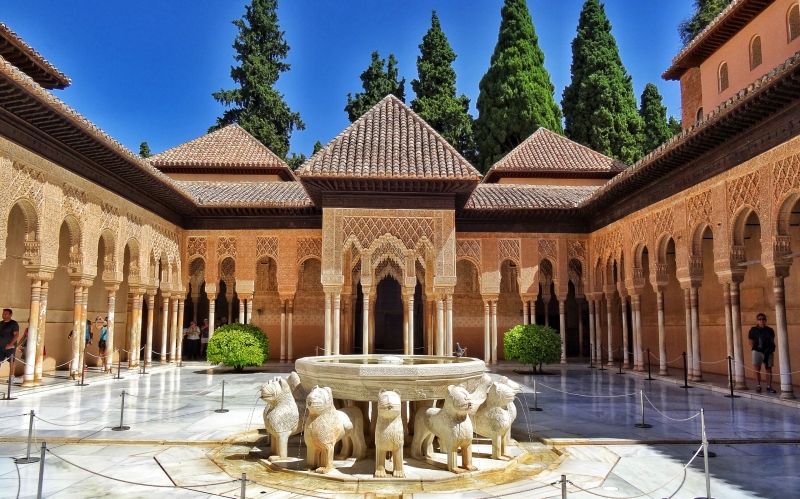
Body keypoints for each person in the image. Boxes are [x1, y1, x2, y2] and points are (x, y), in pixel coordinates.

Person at [748, 313, 777, 394]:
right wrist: (756, 349)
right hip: (757, 351)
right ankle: (758, 385)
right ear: (757, 321)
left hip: (768, 351)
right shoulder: (753, 330)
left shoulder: (770, 330)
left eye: (763, 319)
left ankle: (769, 386)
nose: (761, 321)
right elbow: (750, 341)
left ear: (766, 320)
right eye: (759, 319)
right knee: (757, 368)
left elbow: (772, 340)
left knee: (768, 369)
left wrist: (770, 349)